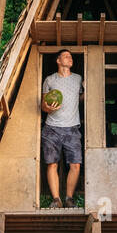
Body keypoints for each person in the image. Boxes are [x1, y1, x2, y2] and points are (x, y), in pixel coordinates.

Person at [40, 49, 83, 208]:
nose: (70, 58)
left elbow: (82, 97)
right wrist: (49, 108)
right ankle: (56, 199)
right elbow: (43, 106)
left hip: (72, 128)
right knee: (52, 164)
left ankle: (69, 199)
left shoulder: (78, 79)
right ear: (58, 60)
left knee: (76, 165)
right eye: (66, 56)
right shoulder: (50, 80)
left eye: (71, 56)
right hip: (52, 128)